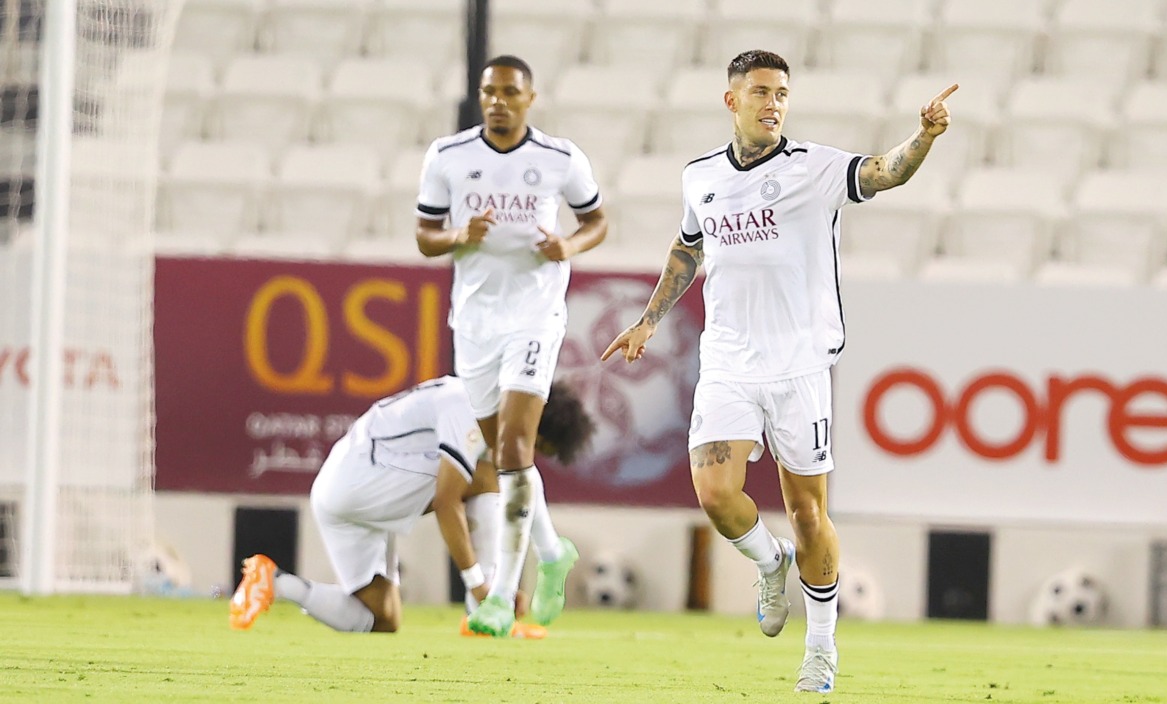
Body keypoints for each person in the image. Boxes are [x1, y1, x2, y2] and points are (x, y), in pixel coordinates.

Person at [601, 50, 955, 692]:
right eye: (761, 91)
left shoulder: (814, 168)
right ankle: (770, 563)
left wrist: (923, 135)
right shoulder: (700, 176)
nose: (773, 103)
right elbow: (688, 247)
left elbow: (881, 174)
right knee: (713, 493)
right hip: (729, 363)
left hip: (799, 368)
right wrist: (651, 319)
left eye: (782, 93)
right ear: (731, 100)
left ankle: (821, 648)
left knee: (809, 514)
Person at [415, 55, 609, 637]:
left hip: (535, 316)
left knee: (517, 446)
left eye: (508, 92)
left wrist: (568, 246)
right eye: (488, 92)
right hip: (473, 323)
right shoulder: (448, 156)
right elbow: (425, 236)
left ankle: (501, 594)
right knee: (504, 457)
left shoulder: (559, 158)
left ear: (530, 97)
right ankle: (553, 553)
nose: (497, 101)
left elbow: (597, 220)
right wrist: (456, 235)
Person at [228, 375, 596, 638]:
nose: (530, 454)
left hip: (340, 493)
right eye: (538, 445)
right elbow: (447, 500)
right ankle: (484, 608)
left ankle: (274, 583)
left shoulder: (482, 408)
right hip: (361, 480)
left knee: (381, 618)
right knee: (486, 477)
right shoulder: (468, 409)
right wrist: (480, 585)